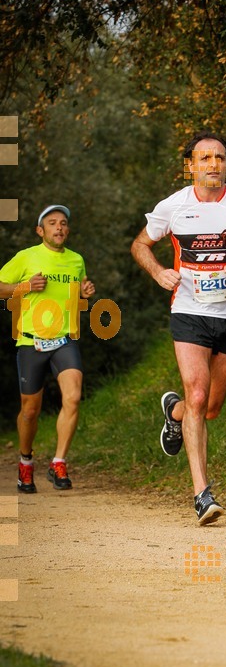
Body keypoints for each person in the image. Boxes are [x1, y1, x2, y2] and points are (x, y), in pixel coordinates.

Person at [131, 131, 226, 524]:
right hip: (188, 311)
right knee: (198, 394)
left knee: (209, 408)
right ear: (191, 165)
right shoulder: (174, 206)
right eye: (205, 158)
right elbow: (139, 245)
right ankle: (202, 494)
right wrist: (159, 271)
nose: (213, 164)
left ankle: (173, 412)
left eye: (220, 158)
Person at [0, 205, 95, 493]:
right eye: (52, 223)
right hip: (31, 341)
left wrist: (84, 293)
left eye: (63, 223)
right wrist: (25, 285)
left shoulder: (76, 260)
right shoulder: (26, 257)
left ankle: (58, 462)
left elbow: (78, 293)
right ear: (40, 231)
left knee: (74, 397)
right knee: (30, 411)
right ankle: (25, 463)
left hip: (64, 340)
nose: (59, 228)